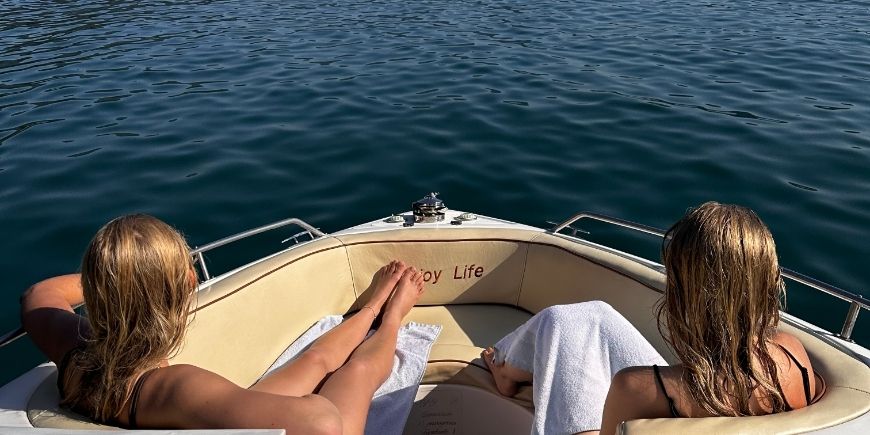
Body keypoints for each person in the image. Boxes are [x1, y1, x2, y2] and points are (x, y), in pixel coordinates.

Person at [20, 214, 426, 434]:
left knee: (318, 359)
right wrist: (310, 403)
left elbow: (38, 294)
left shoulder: (74, 350)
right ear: (172, 297)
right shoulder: (173, 386)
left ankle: (369, 310)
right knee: (354, 372)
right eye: (184, 272)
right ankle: (390, 317)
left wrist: (120, 280)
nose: (194, 277)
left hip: (174, 416)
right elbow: (323, 425)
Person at [481, 202, 817, 435]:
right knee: (591, 315)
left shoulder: (637, 390)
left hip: (674, 401)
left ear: (685, 294)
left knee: (560, 323)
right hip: (701, 394)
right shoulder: (792, 357)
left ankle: (506, 368)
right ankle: (512, 366)